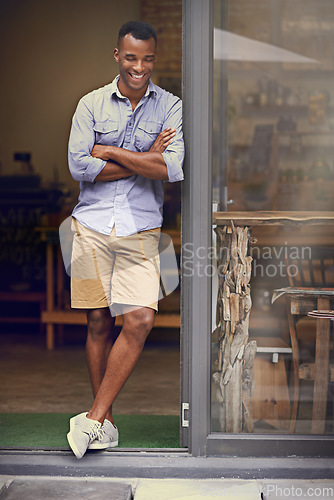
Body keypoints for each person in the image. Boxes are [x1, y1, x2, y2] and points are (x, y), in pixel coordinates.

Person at [66, 20, 184, 459]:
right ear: (117, 55)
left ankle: (92, 418)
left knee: (139, 319)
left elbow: (170, 169)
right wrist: (146, 153)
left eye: (147, 58)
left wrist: (111, 150)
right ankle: (108, 420)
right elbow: (80, 168)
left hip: (141, 227)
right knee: (98, 322)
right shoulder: (90, 104)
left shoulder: (170, 107)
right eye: (131, 57)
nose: (139, 67)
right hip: (91, 225)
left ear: (155, 58)